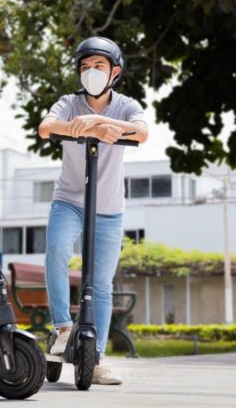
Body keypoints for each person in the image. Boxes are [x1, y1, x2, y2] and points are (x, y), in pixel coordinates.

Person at [38, 37, 148, 385]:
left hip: (109, 208)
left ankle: (96, 357)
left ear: (115, 71)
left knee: (100, 284)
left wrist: (102, 126)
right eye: (85, 67)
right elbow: (45, 127)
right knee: (56, 250)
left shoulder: (126, 105)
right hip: (69, 200)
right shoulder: (69, 103)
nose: (91, 72)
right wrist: (81, 123)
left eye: (98, 66)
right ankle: (63, 328)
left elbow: (143, 133)